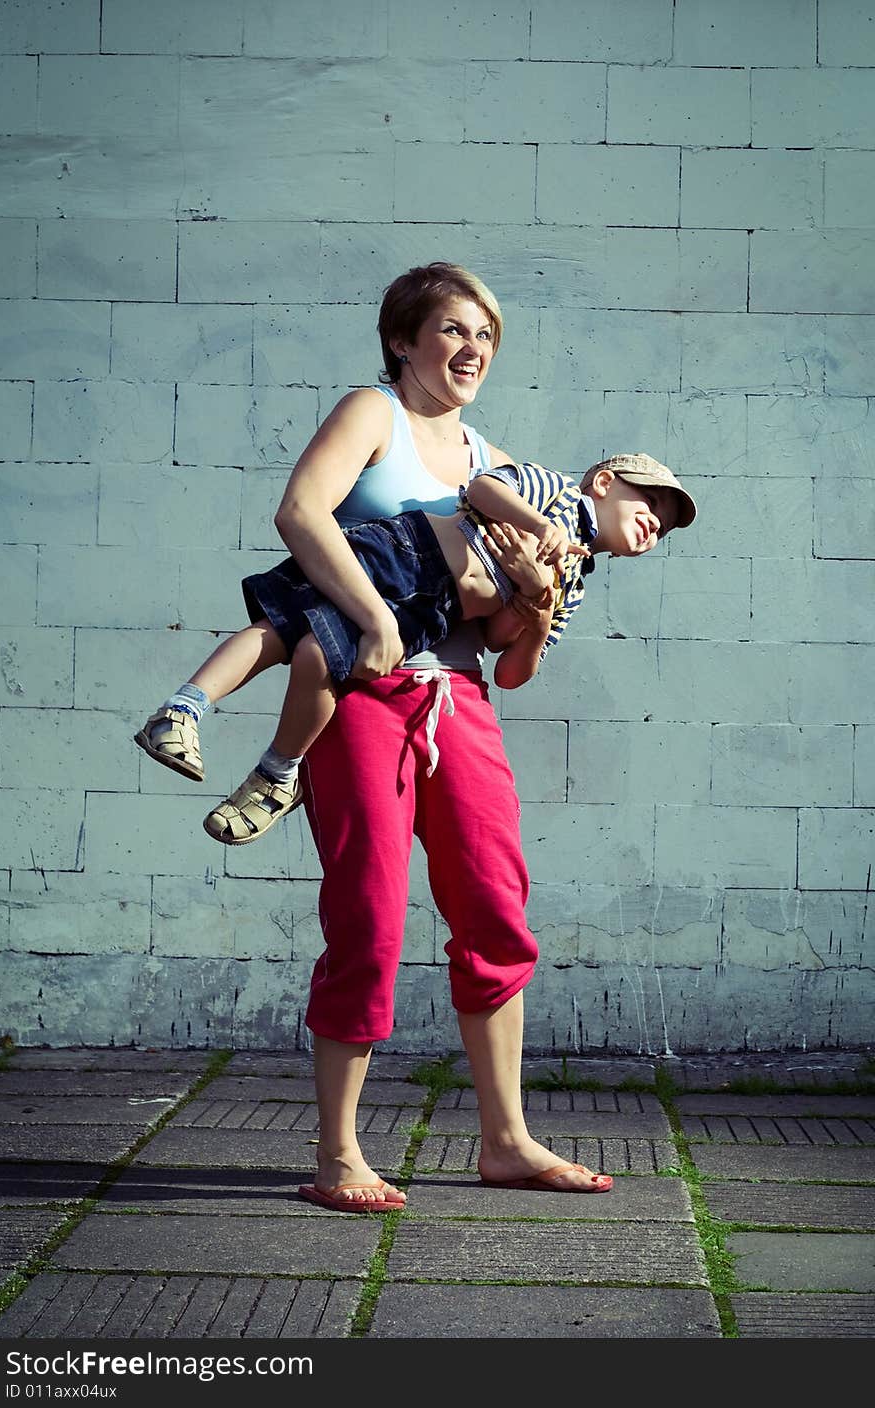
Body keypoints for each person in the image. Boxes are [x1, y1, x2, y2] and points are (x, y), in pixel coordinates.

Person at [139, 263, 696, 1212]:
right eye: (452, 330)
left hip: (459, 696)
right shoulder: (375, 412)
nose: (472, 349)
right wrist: (373, 615)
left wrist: (538, 592)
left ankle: (507, 1141)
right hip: (361, 686)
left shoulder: (492, 455)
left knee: (494, 906)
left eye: (486, 336)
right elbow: (299, 513)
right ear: (405, 338)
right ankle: (339, 1153)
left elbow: (508, 656)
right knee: (368, 910)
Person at [133, 450, 694, 846]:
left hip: (433, 611)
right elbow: (482, 488)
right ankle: (183, 709)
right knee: (281, 626)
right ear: (605, 483)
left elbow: (506, 658)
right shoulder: (554, 491)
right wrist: (535, 527)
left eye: (664, 530)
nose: (655, 525)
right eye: (650, 505)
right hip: (407, 553)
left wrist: (538, 604)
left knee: (319, 654)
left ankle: (277, 774)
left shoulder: (573, 581)